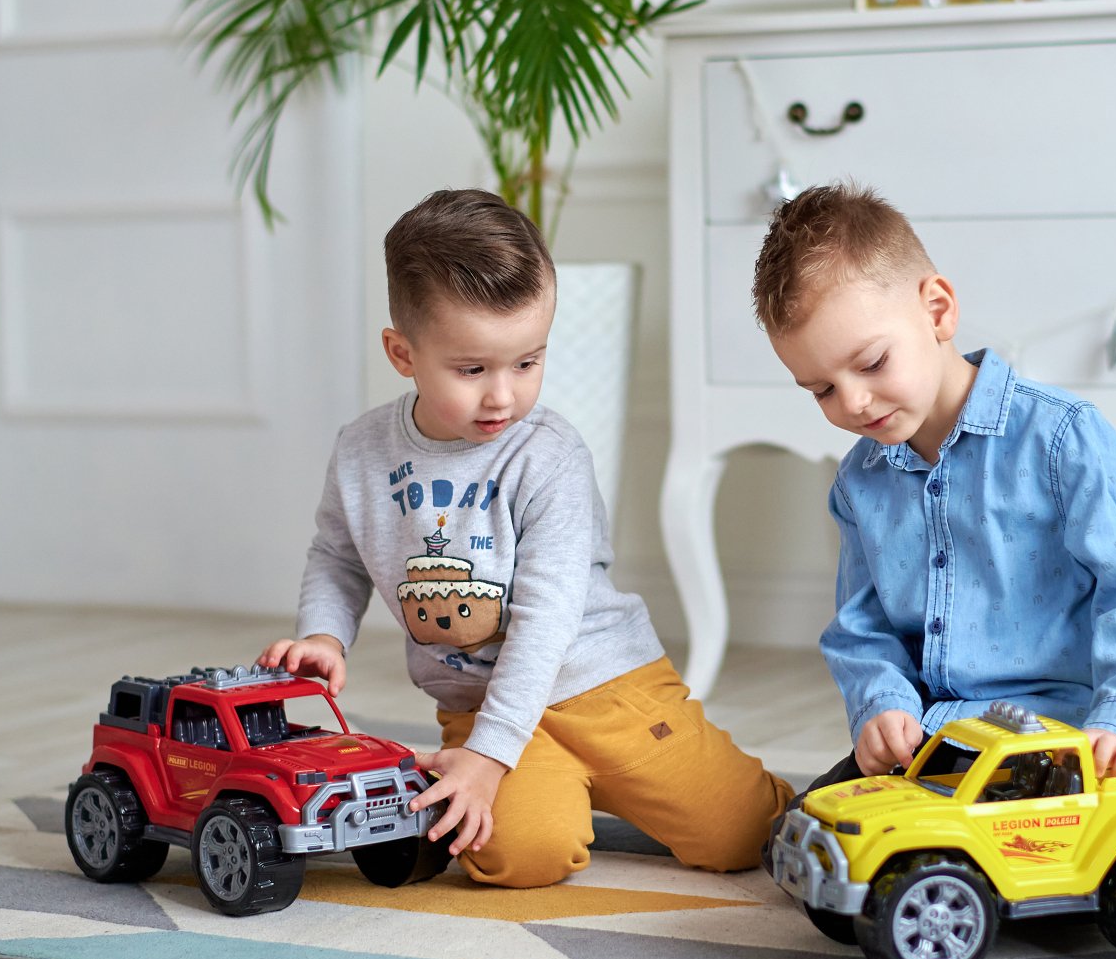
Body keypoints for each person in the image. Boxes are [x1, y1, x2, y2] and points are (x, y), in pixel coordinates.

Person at [260, 189, 790, 887]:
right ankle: (545, 787)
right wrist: (324, 634)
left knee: (745, 834)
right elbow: (337, 554)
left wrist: (491, 755)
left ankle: (738, 791)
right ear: (402, 352)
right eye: (472, 369)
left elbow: (546, 618)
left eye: (527, 362)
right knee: (518, 856)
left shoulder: (550, 455)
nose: (503, 395)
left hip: (604, 685)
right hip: (481, 704)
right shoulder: (361, 452)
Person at [752, 182, 1116, 804]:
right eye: (821, 389)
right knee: (809, 832)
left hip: (1053, 742)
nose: (851, 402)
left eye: (872, 363)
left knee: (980, 850)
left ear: (937, 311)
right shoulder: (860, 482)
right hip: (932, 743)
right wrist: (882, 705)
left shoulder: (1063, 438)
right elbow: (863, 624)